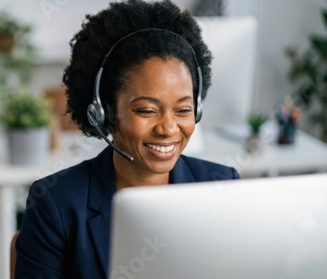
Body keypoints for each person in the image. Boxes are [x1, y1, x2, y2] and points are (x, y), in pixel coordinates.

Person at [14, 0, 240, 278]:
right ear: (104, 112)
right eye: (147, 110)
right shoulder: (56, 204)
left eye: (183, 110)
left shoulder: (222, 186)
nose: (169, 128)